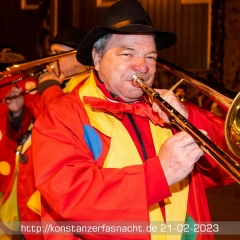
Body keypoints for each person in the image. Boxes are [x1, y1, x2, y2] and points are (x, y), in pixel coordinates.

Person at [32, 1, 238, 240]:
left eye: (150, 57)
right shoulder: (61, 116)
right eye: (127, 53)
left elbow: (225, 166)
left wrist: (190, 117)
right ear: (97, 58)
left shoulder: (169, 111)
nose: (142, 66)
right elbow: (71, 199)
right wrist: (160, 174)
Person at [1, 27, 91, 240]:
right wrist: (18, 112)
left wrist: (50, 87)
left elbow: (64, 127)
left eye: (57, 53)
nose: (50, 59)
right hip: (27, 183)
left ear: (79, 58)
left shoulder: (85, 88)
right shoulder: (58, 84)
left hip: (52, 193)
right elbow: (32, 129)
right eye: (50, 52)